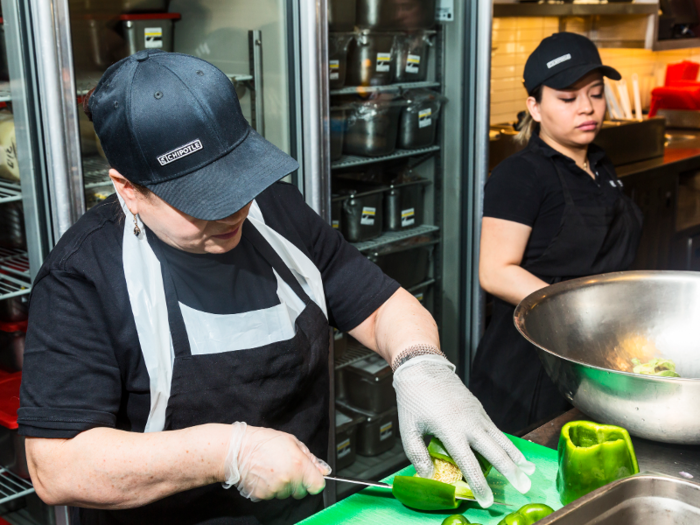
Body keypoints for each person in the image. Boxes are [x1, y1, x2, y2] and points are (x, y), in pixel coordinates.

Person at [19, 50, 534, 525]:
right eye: (201, 197)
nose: (232, 210)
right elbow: (57, 465)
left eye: (237, 180)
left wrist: (420, 364)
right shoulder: (81, 278)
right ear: (127, 189)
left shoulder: (278, 213)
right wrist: (229, 454)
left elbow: (379, 307)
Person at [470, 33, 643, 434]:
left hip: (592, 351)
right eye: (568, 98)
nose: (587, 108)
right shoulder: (522, 175)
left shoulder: (599, 163)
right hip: (531, 366)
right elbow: (495, 271)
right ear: (535, 106)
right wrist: (579, 313)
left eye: (596, 94)